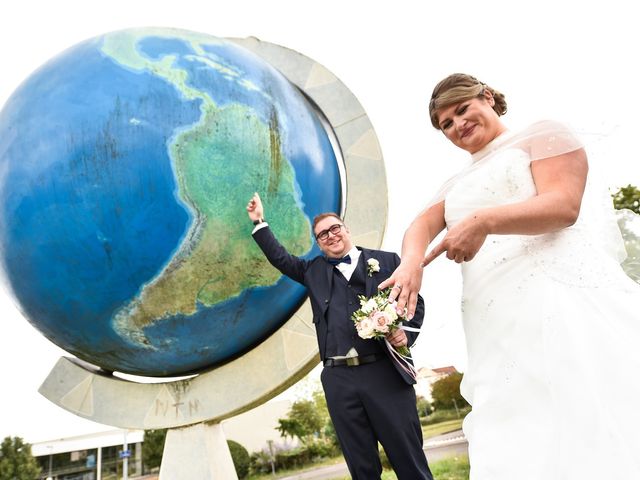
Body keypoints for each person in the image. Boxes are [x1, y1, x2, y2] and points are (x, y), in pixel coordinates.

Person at [380, 73, 640, 479]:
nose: (457, 126)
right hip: (493, 321)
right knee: (516, 425)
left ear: (487, 97)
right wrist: (411, 262)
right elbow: (420, 225)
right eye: (446, 124)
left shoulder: (544, 135)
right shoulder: (457, 182)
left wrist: (483, 221)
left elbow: (563, 205)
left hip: (559, 297)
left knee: (582, 403)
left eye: (462, 110)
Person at [246, 192, 432, 480]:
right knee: (362, 467)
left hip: (385, 371)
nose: (330, 236)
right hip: (338, 379)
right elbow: (279, 257)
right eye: (322, 235)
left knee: (408, 458)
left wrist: (405, 333)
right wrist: (259, 222)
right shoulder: (311, 271)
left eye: (335, 229)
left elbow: (414, 301)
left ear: (346, 229)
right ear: (318, 243)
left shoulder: (386, 260)